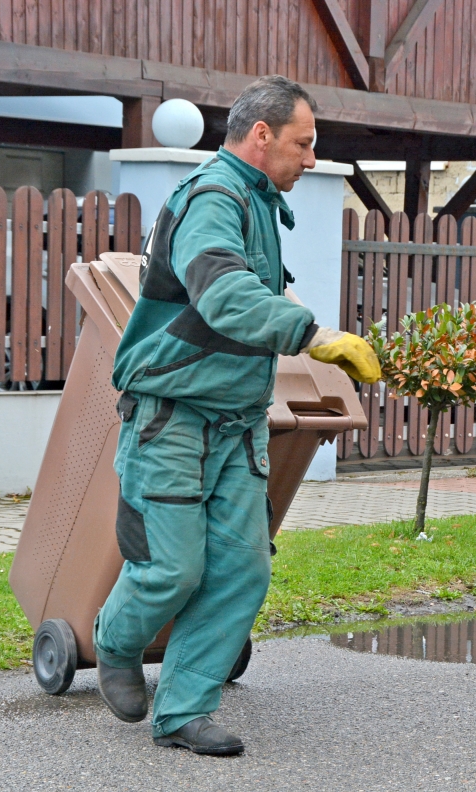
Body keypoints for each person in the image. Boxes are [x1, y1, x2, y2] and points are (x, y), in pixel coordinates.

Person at [91, 75, 380, 756]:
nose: (310, 160)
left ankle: (184, 712)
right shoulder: (213, 199)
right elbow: (224, 298)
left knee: (241, 570)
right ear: (260, 135)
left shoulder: (257, 201)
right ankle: (114, 640)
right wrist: (317, 336)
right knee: (171, 569)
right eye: (302, 144)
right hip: (173, 414)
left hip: (236, 419)